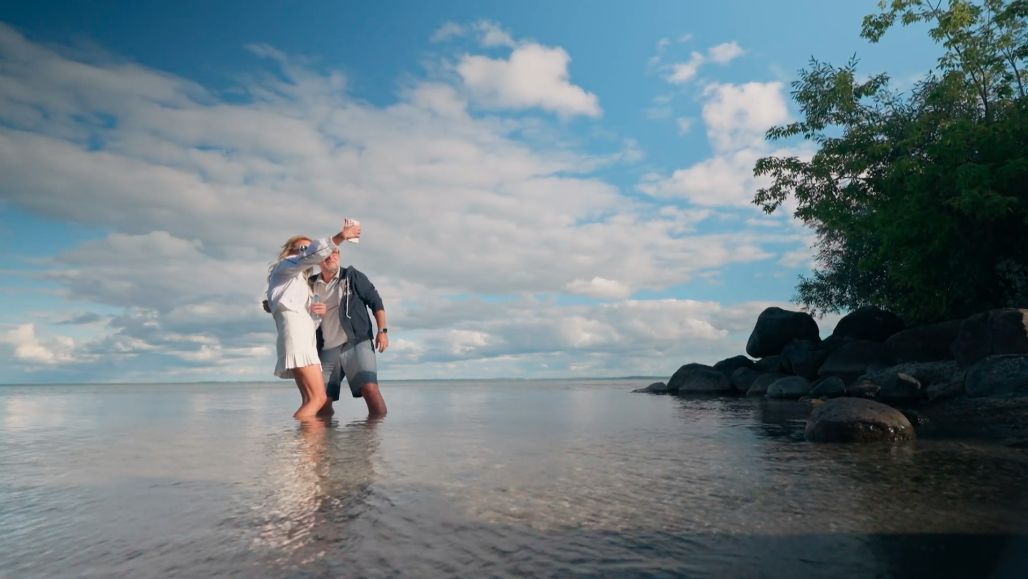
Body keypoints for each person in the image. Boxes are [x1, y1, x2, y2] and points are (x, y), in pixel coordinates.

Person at [266, 222, 360, 418]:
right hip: (297, 338)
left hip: (304, 339)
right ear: (290, 252)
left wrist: (318, 313)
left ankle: (315, 447)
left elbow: (308, 319)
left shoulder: (299, 283)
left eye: (308, 248)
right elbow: (312, 254)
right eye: (302, 248)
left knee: (321, 403)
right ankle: (296, 445)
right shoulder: (284, 268)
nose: (306, 252)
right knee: (317, 399)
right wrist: (339, 238)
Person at [308, 246, 389, 417]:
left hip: (357, 341)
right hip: (328, 348)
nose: (332, 256)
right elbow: (288, 298)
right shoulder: (310, 283)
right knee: (322, 400)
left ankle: (376, 439)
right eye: (327, 253)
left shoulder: (352, 276)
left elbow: (376, 302)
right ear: (318, 259)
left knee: (370, 389)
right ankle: (328, 440)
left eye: (336, 252)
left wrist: (382, 331)